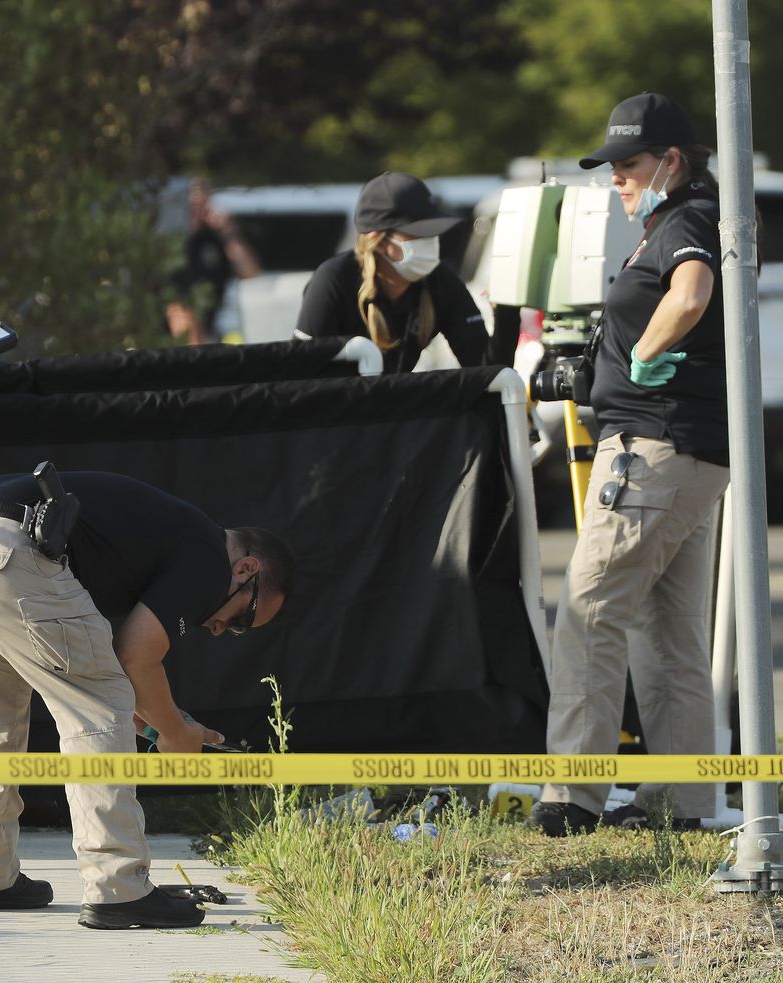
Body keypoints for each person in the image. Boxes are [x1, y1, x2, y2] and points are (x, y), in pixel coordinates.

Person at [0, 470, 294, 928]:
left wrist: (156, 717)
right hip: (2, 545)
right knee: (98, 705)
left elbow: (122, 663)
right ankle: (118, 887)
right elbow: (135, 657)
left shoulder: (172, 533)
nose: (222, 629)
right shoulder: (209, 554)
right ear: (246, 569)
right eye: (243, 618)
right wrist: (174, 732)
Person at [525, 92, 728, 836]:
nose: (616, 177)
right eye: (610, 165)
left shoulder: (688, 218)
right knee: (669, 634)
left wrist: (641, 353)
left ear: (671, 160)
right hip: (686, 453)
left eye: (629, 163)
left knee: (589, 611)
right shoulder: (683, 218)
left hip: (653, 448)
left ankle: (571, 799)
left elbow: (692, 292)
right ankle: (681, 801)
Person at [294, 171, 489, 372]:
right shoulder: (334, 279)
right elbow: (302, 372)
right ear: (379, 242)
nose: (431, 242)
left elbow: (488, 371)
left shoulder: (441, 281)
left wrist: (504, 312)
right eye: (419, 234)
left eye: (433, 232)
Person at [165, 178, 262, 345]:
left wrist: (229, 233)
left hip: (209, 332)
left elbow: (251, 273)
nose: (197, 211)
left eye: (203, 204)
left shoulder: (215, 238)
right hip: (172, 335)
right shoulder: (169, 239)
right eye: (192, 206)